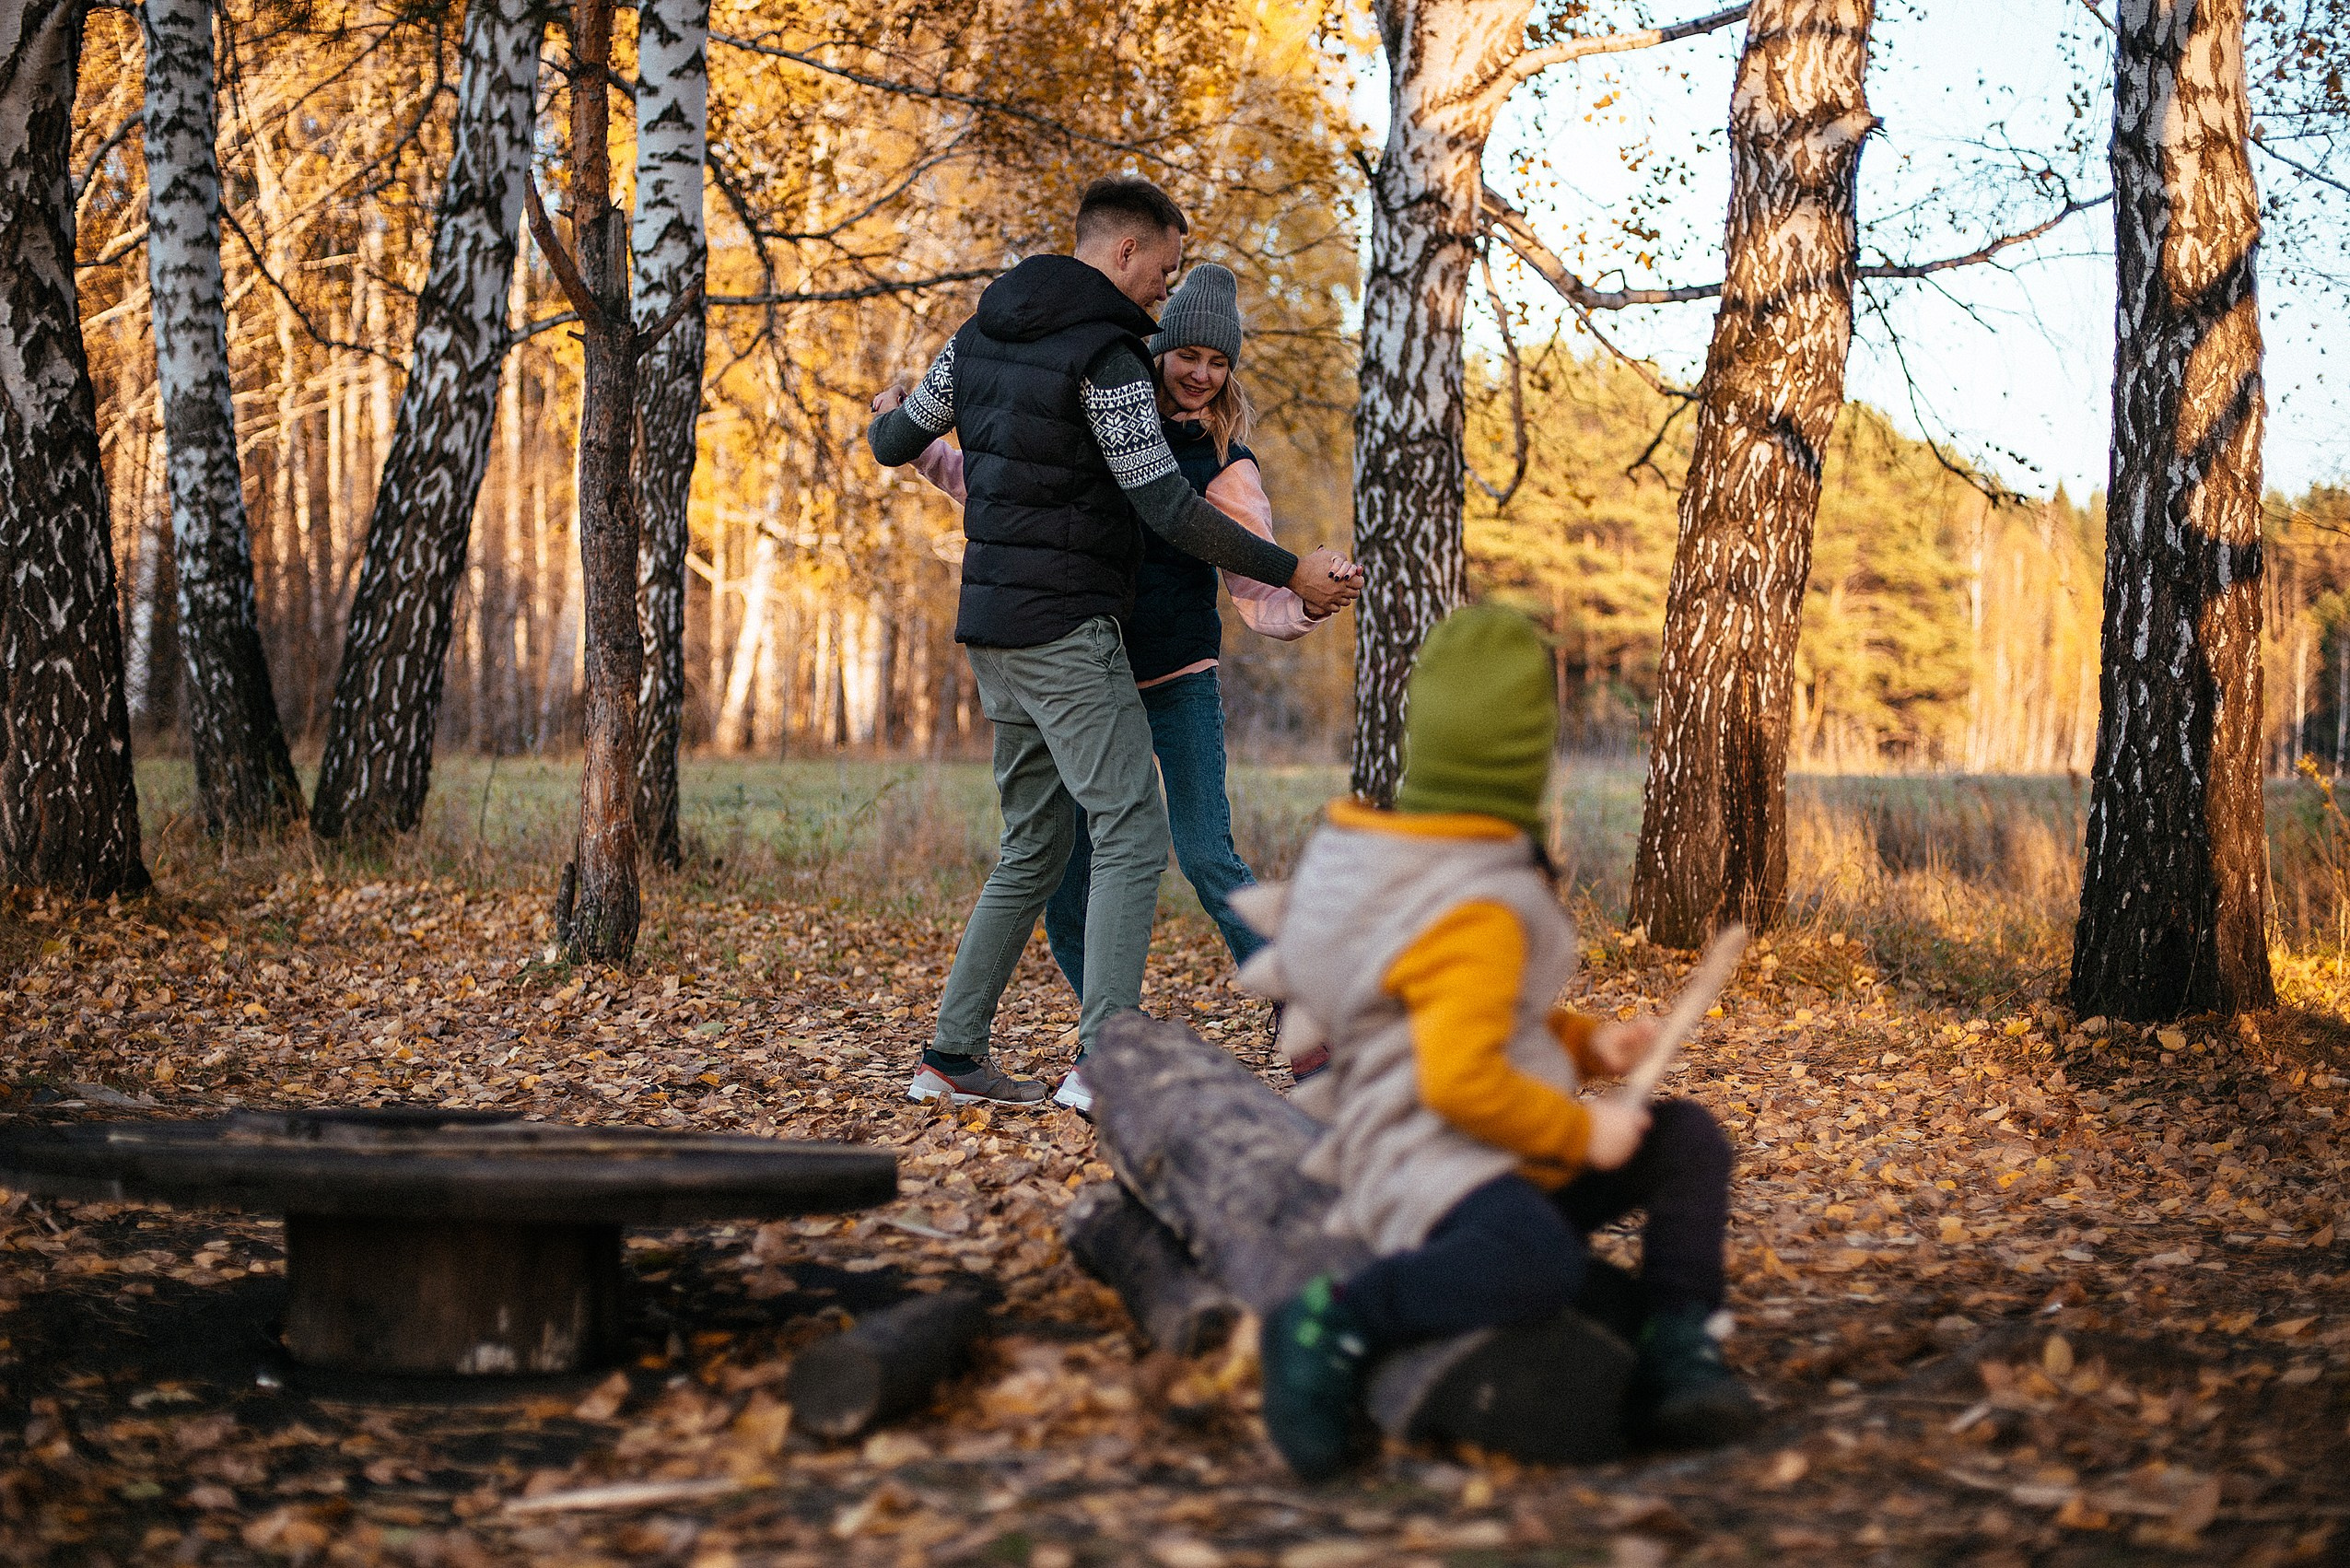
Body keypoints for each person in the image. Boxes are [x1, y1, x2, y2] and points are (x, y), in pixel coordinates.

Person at [865, 177, 1357, 1109]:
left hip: (995, 632)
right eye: (1165, 270)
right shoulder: (1109, 360)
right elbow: (1164, 504)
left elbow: (903, 442)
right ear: (1126, 250)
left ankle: (950, 1056)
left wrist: (889, 416)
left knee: (1035, 846)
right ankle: (1106, 1059)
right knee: (1129, 829)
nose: (1164, 291)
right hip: (1069, 633)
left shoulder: (974, 337)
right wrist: (1293, 569)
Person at [1242, 605, 1760, 1479]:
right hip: (1428, 1155)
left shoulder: (1427, 866)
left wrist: (1589, 1047)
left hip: (1486, 1145)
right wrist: (1580, 1132)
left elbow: (1474, 1014)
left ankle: (1676, 1344)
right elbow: (1456, 1079)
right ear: (1530, 764)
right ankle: (1329, 1320)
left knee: (1684, 1141)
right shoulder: (1476, 907)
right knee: (1535, 1258)